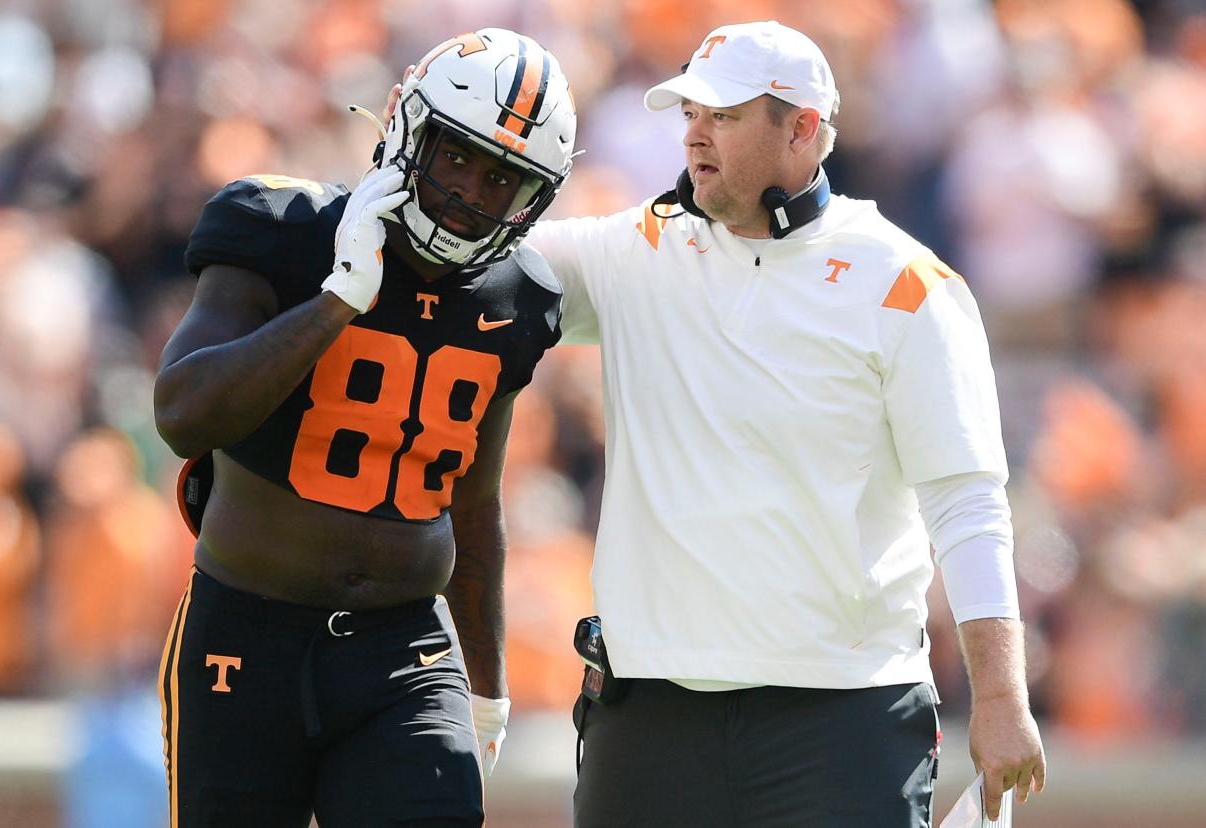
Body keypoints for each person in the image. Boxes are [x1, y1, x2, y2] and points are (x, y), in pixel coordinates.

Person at [524, 20, 1047, 827]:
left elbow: (967, 504)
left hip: (842, 714)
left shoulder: (904, 284)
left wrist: (1002, 699)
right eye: (691, 114)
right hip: (651, 711)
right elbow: (477, 261)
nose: (696, 135)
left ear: (804, 128)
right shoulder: (634, 250)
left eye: (725, 116)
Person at [152, 28, 576, 827]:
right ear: (405, 125)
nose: (471, 194)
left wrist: (485, 686)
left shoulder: (516, 298)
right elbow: (182, 413)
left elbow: (474, 504)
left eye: (503, 180)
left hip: (403, 651)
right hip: (247, 629)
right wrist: (338, 301)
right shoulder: (281, 228)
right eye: (456, 156)